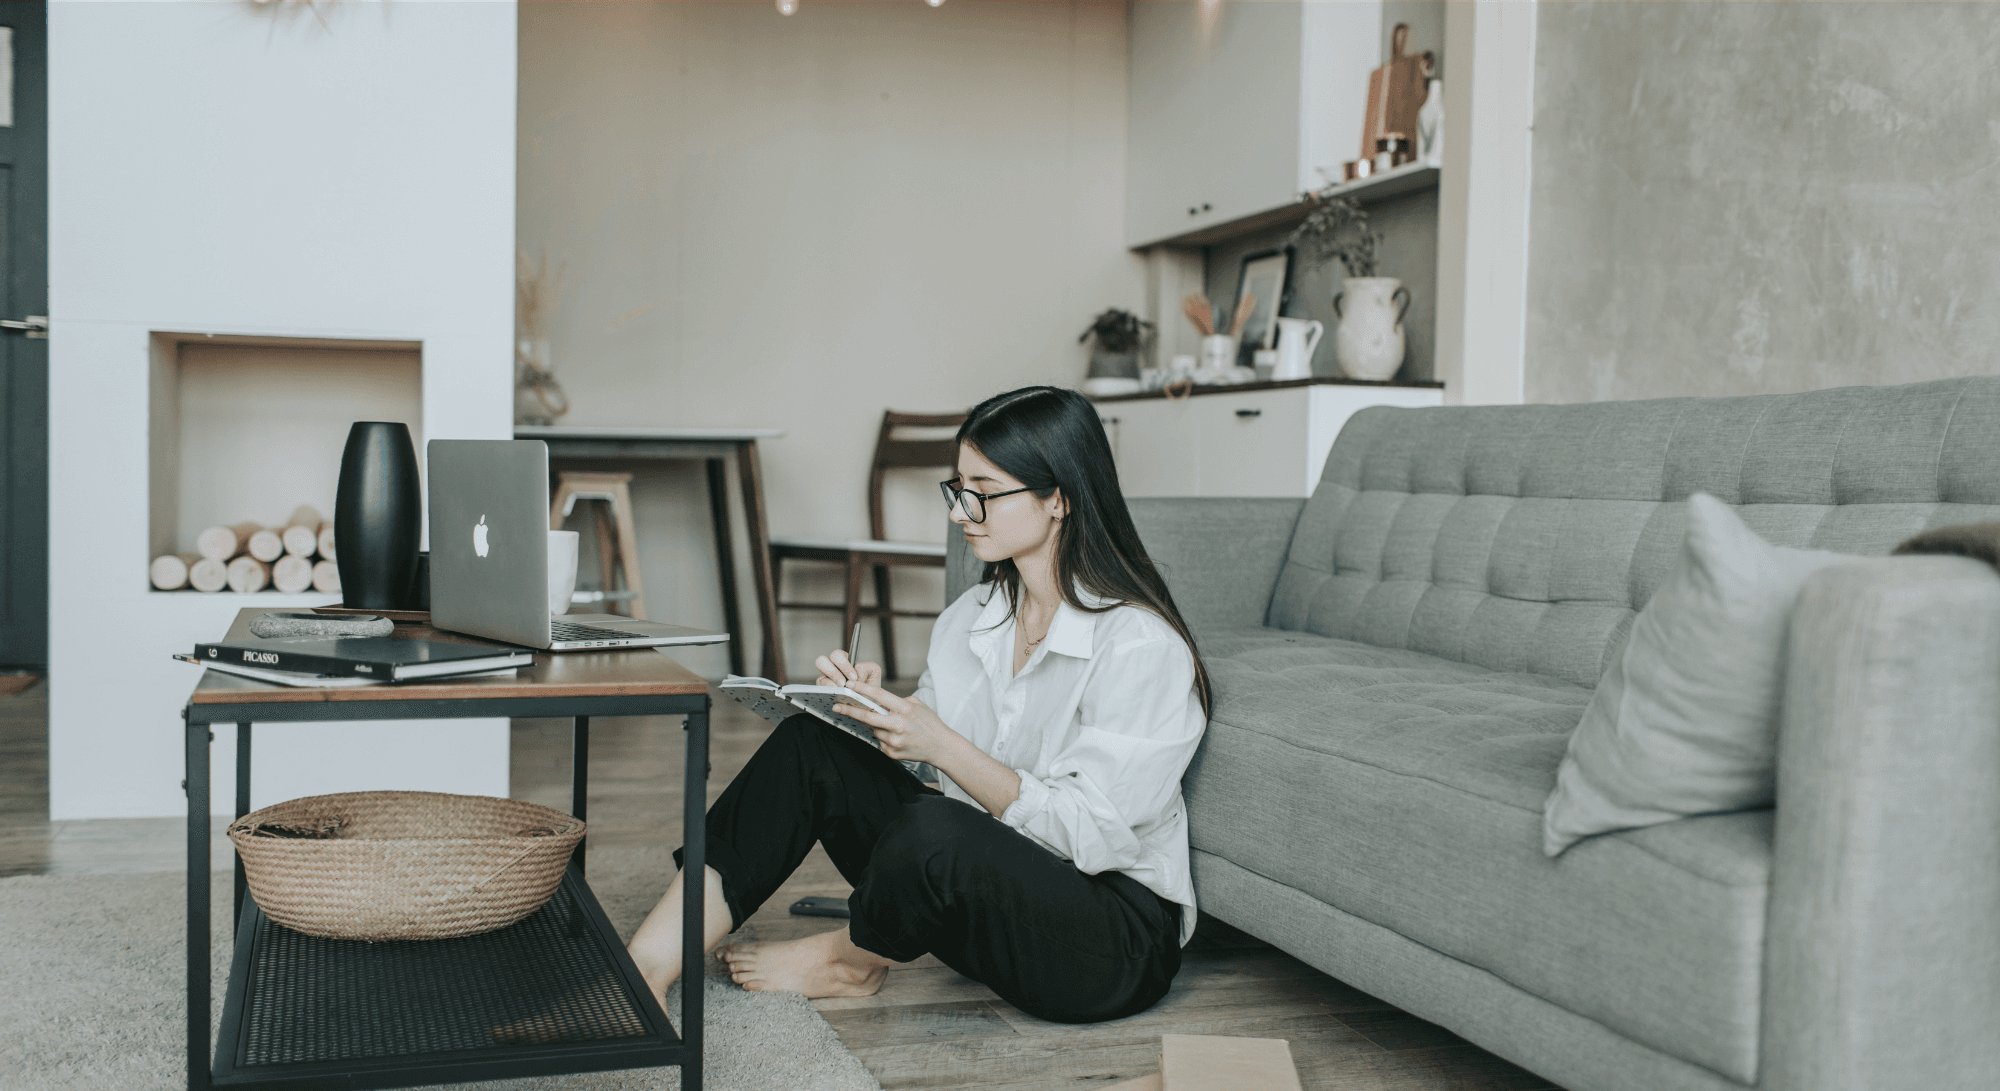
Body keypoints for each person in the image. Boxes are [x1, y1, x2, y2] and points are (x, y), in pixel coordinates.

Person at [624, 385, 1212, 1024]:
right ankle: (648, 964)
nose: (962, 511)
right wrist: (871, 716)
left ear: (1059, 499)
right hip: (989, 893)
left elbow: (1089, 835)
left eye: (984, 490)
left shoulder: (1140, 646)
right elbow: (931, 774)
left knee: (938, 831)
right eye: (957, 487)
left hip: (1108, 943)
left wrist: (943, 746)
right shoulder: (972, 618)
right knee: (812, 748)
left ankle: (851, 958)